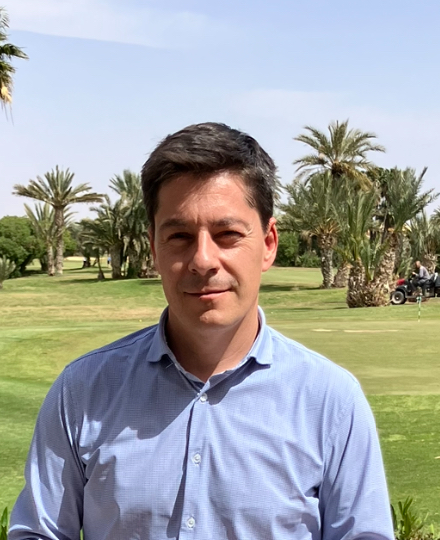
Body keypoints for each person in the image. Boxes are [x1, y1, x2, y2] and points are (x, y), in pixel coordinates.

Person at [9, 123, 394, 540]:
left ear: (268, 243)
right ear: (154, 248)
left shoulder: (330, 400)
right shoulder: (83, 391)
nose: (203, 260)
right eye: (180, 236)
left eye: (228, 235)